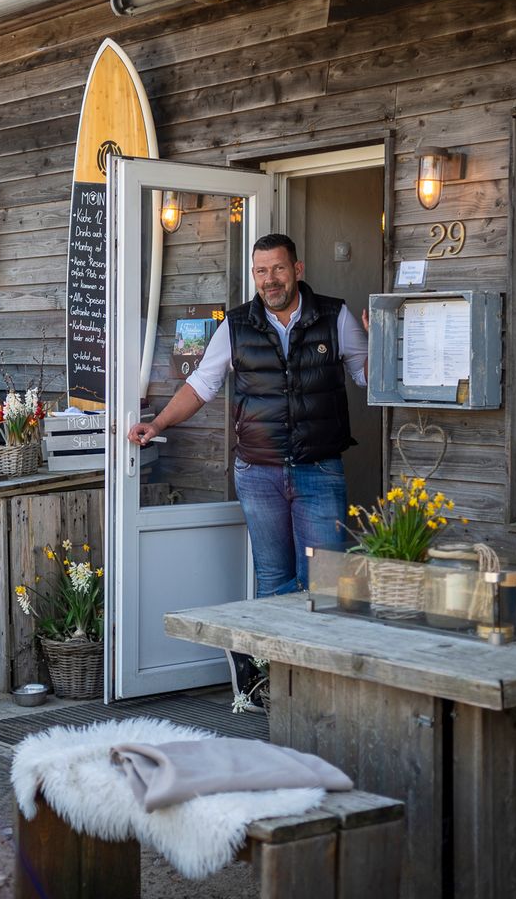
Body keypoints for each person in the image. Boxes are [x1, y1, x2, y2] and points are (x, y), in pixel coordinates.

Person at [127, 233, 368, 704]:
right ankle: (272, 685)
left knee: (325, 581)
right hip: (258, 471)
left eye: (277, 269)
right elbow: (201, 385)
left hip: (319, 469)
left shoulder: (335, 316)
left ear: (297, 269)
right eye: (260, 271)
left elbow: (367, 376)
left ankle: (322, 687)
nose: (269, 280)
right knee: (274, 578)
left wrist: (385, 343)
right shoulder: (237, 325)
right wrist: (156, 423)